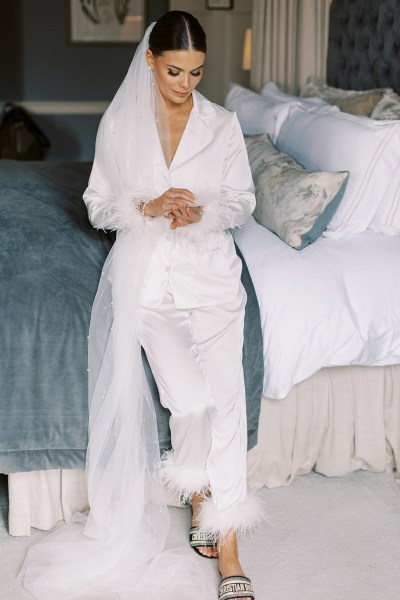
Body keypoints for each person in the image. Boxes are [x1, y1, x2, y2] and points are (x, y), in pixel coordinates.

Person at [18, 11, 263, 600]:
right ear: (151, 61)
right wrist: (151, 207)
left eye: (198, 72)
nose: (187, 83)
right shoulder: (121, 124)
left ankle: (227, 538)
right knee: (188, 399)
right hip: (149, 285)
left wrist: (203, 210)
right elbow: (99, 205)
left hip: (211, 279)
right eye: (176, 70)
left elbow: (243, 201)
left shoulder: (222, 124)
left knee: (226, 399)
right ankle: (199, 490)